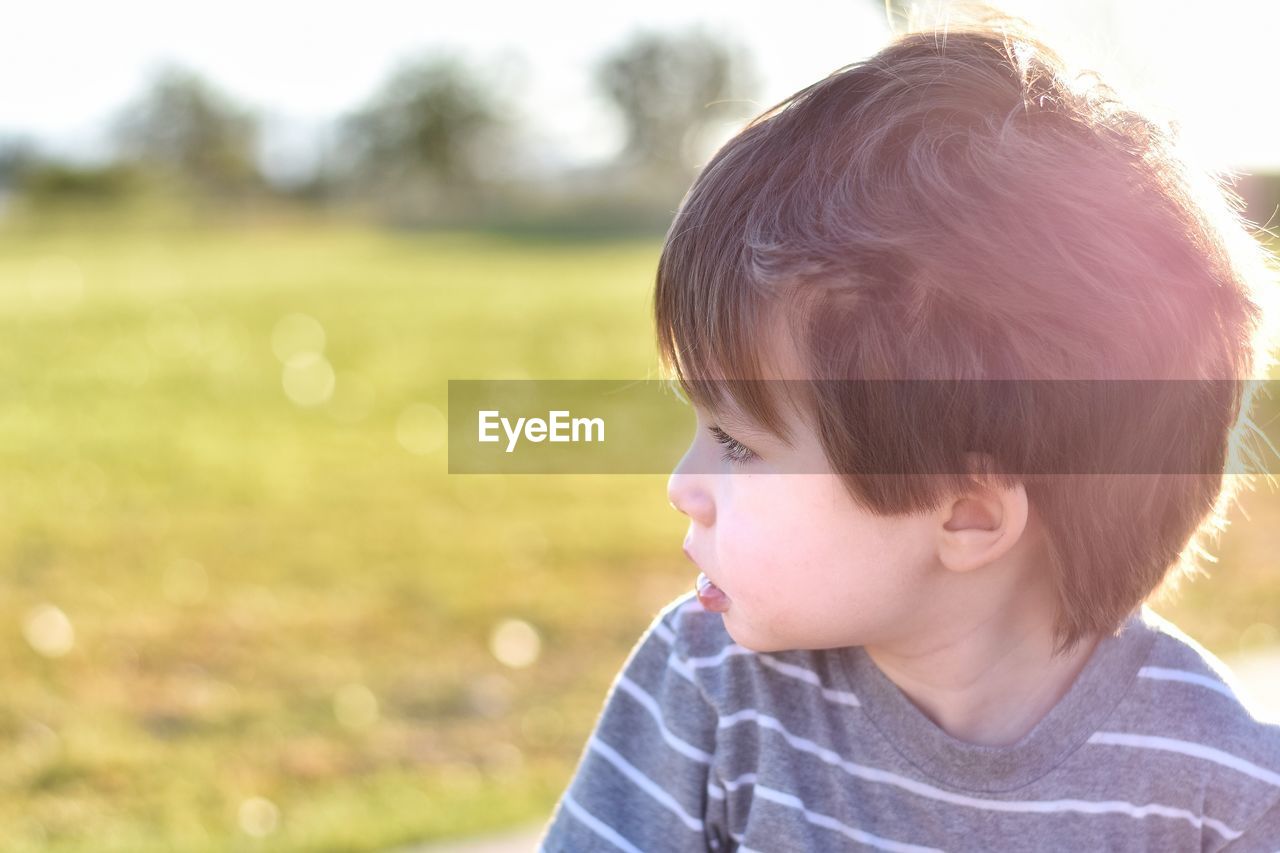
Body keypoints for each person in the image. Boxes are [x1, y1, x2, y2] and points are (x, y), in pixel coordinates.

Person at [538, 8, 1280, 851]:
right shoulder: (711, 684)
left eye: (739, 443)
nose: (683, 486)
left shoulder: (1221, 793)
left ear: (967, 514)